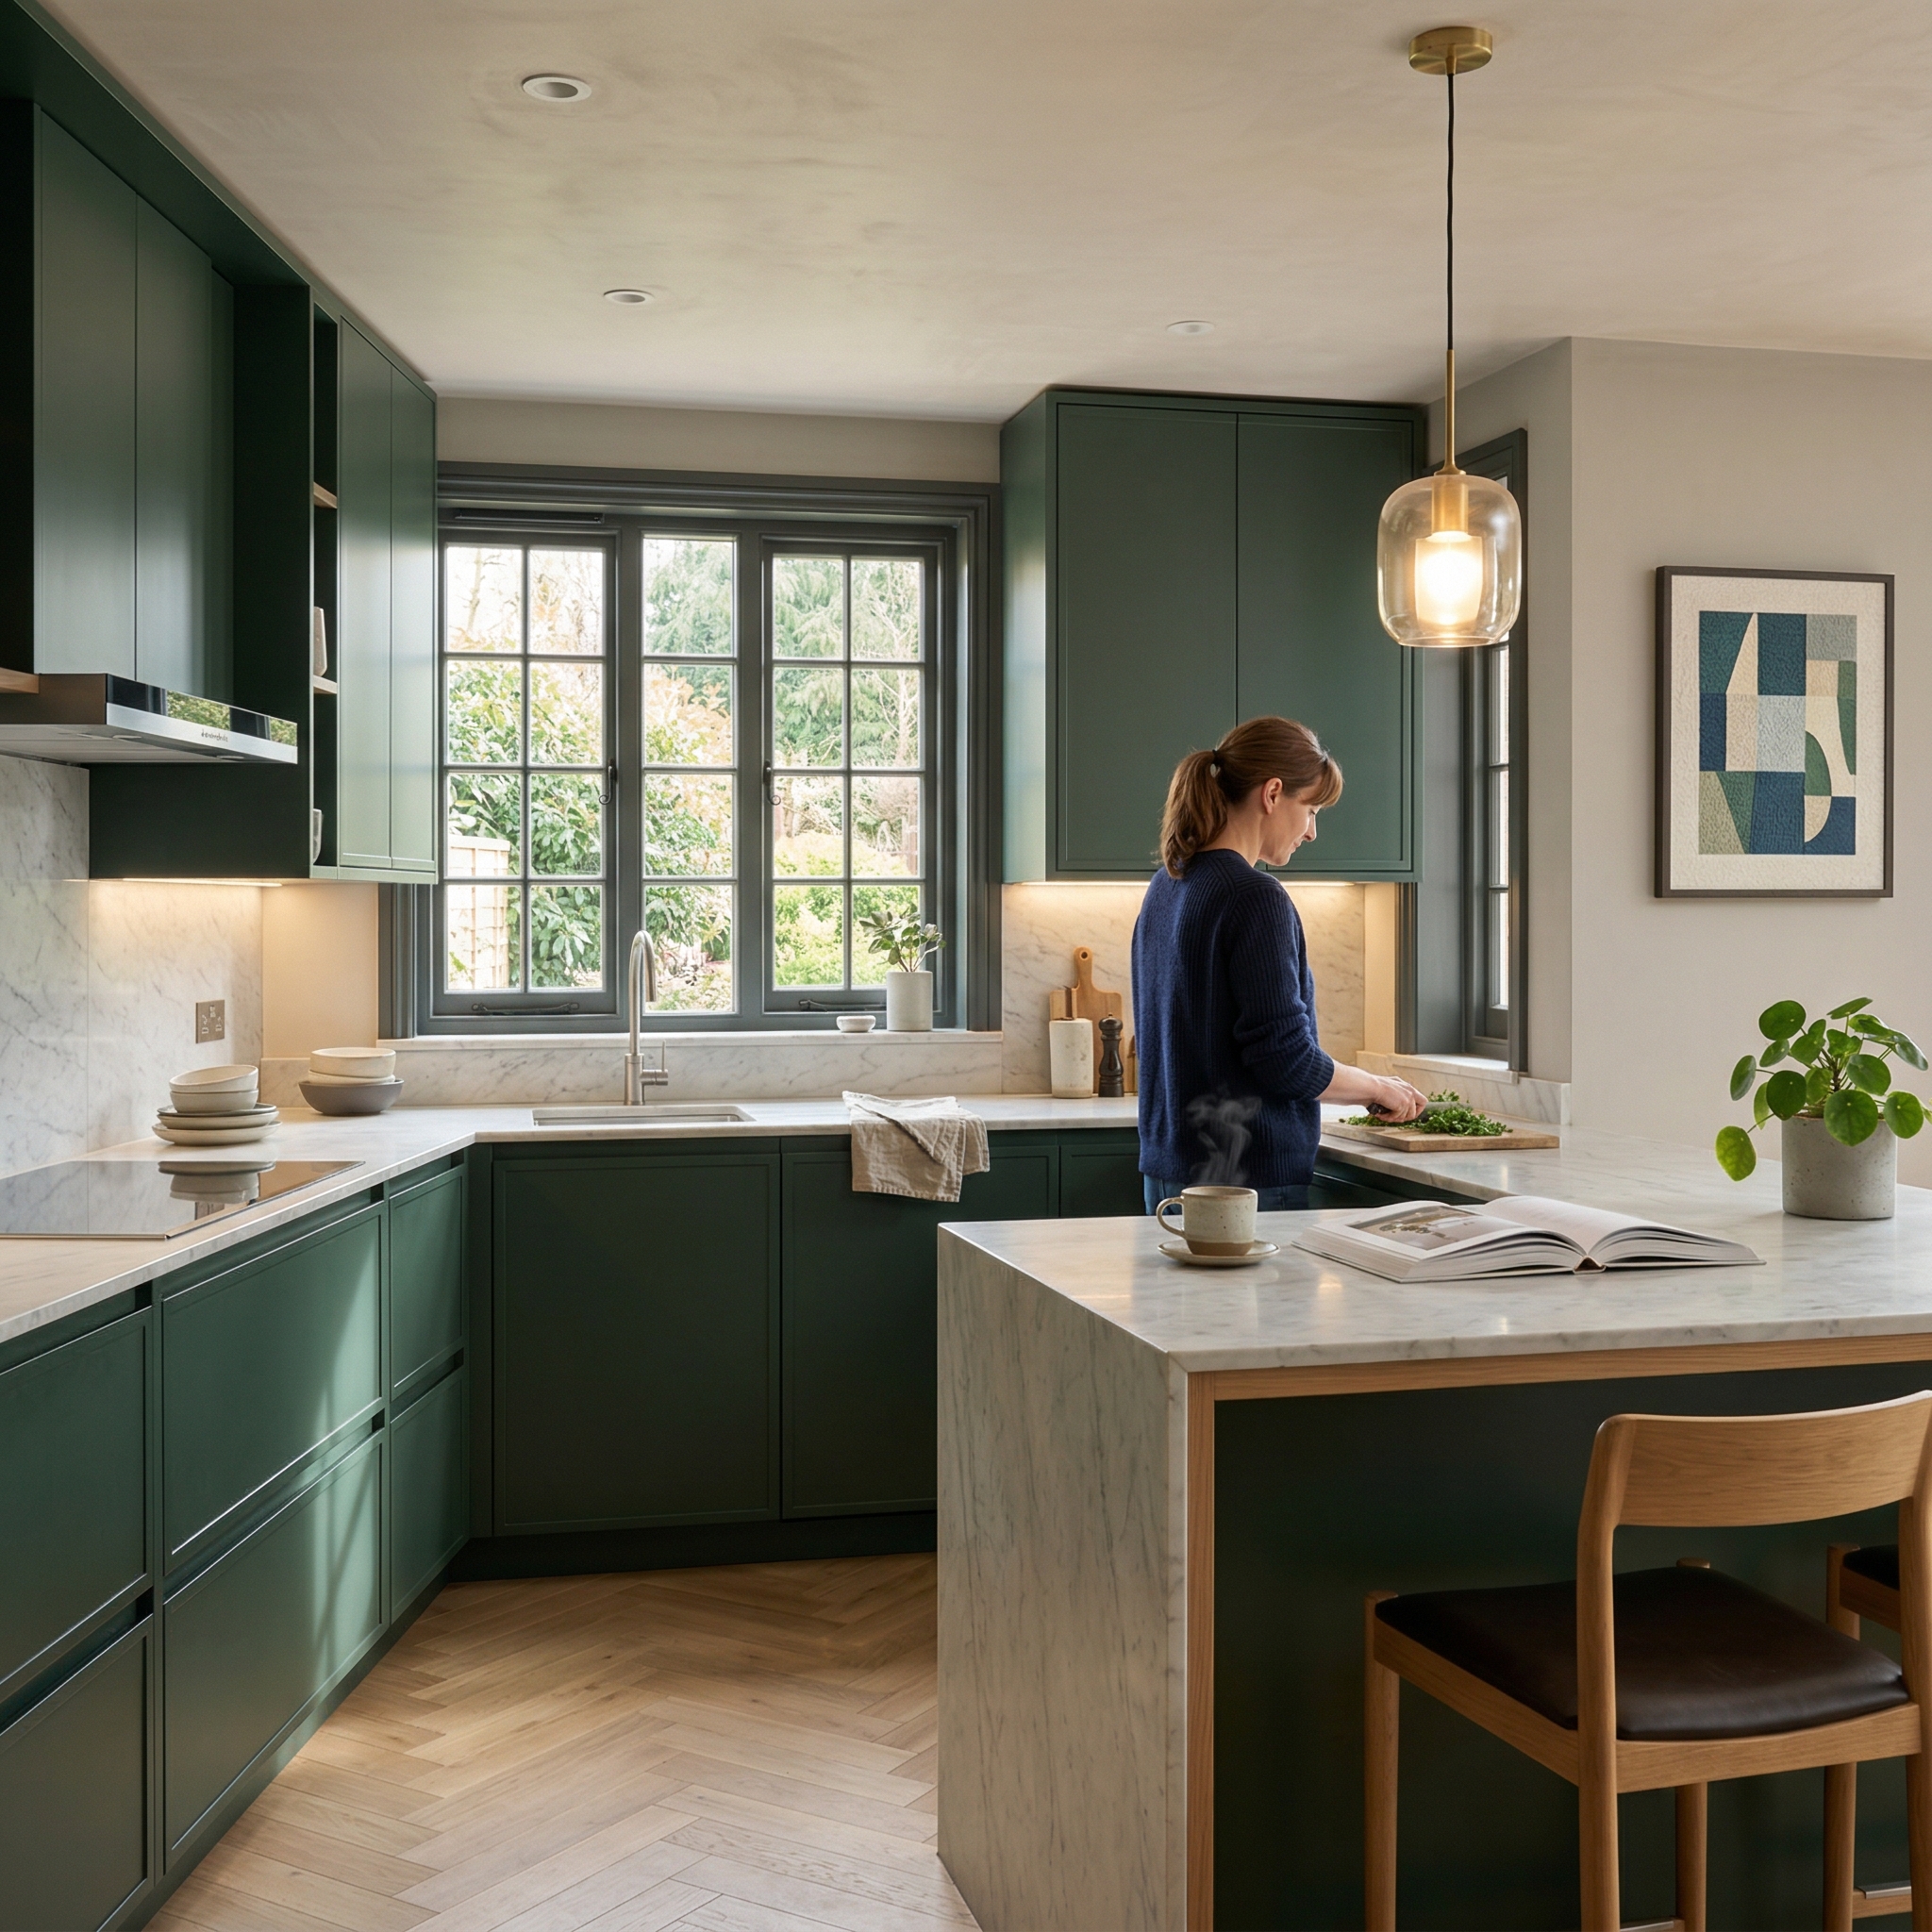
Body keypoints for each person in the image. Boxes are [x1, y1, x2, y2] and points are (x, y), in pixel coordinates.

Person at [1132, 716, 1428, 1212]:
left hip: (1171, 1175)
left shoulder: (1169, 883)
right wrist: (1377, 1088)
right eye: (1310, 809)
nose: (1311, 832)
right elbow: (1285, 1059)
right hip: (1246, 1185)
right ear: (1272, 794)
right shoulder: (1254, 896)